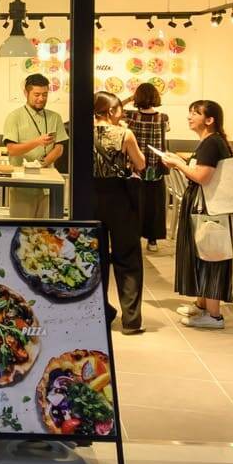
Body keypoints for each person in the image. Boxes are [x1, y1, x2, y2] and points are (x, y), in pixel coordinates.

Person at [159, 99, 233, 329]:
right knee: (202, 253)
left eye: (195, 113)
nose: (189, 117)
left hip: (209, 208)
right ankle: (202, 305)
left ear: (209, 120)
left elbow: (201, 177)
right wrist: (179, 162)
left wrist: (178, 164)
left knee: (211, 256)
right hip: (203, 206)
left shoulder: (212, 143)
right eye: (190, 112)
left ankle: (214, 315)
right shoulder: (209, 142)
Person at [91, 93, 148, 334]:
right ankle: (131, 320)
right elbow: (141, 163)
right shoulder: (125, 134)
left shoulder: (83, 132)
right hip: (119, 198)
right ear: (112, 111)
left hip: (91, 197)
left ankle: (100, 313)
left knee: (95, 257)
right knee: (128, 257)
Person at [124, 83, 171, 246]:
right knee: (154, 204)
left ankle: (134, 237)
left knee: (133, 202)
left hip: (134, 164)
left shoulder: (131, 116)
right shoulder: (163, 117)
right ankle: (152, 240)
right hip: (155, 166)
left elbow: (112, 107)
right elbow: (166, 133)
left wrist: (129, 99)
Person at [0, 73, 66, 170]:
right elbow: (12, 150)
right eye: (37, 95)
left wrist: (41, 164)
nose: (41, 99)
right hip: (21, 174)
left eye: (45, 95)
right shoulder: (14, 117)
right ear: (26, 93)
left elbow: (59, 148)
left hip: (47, 173)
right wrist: (37, 142)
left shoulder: (56, 117)